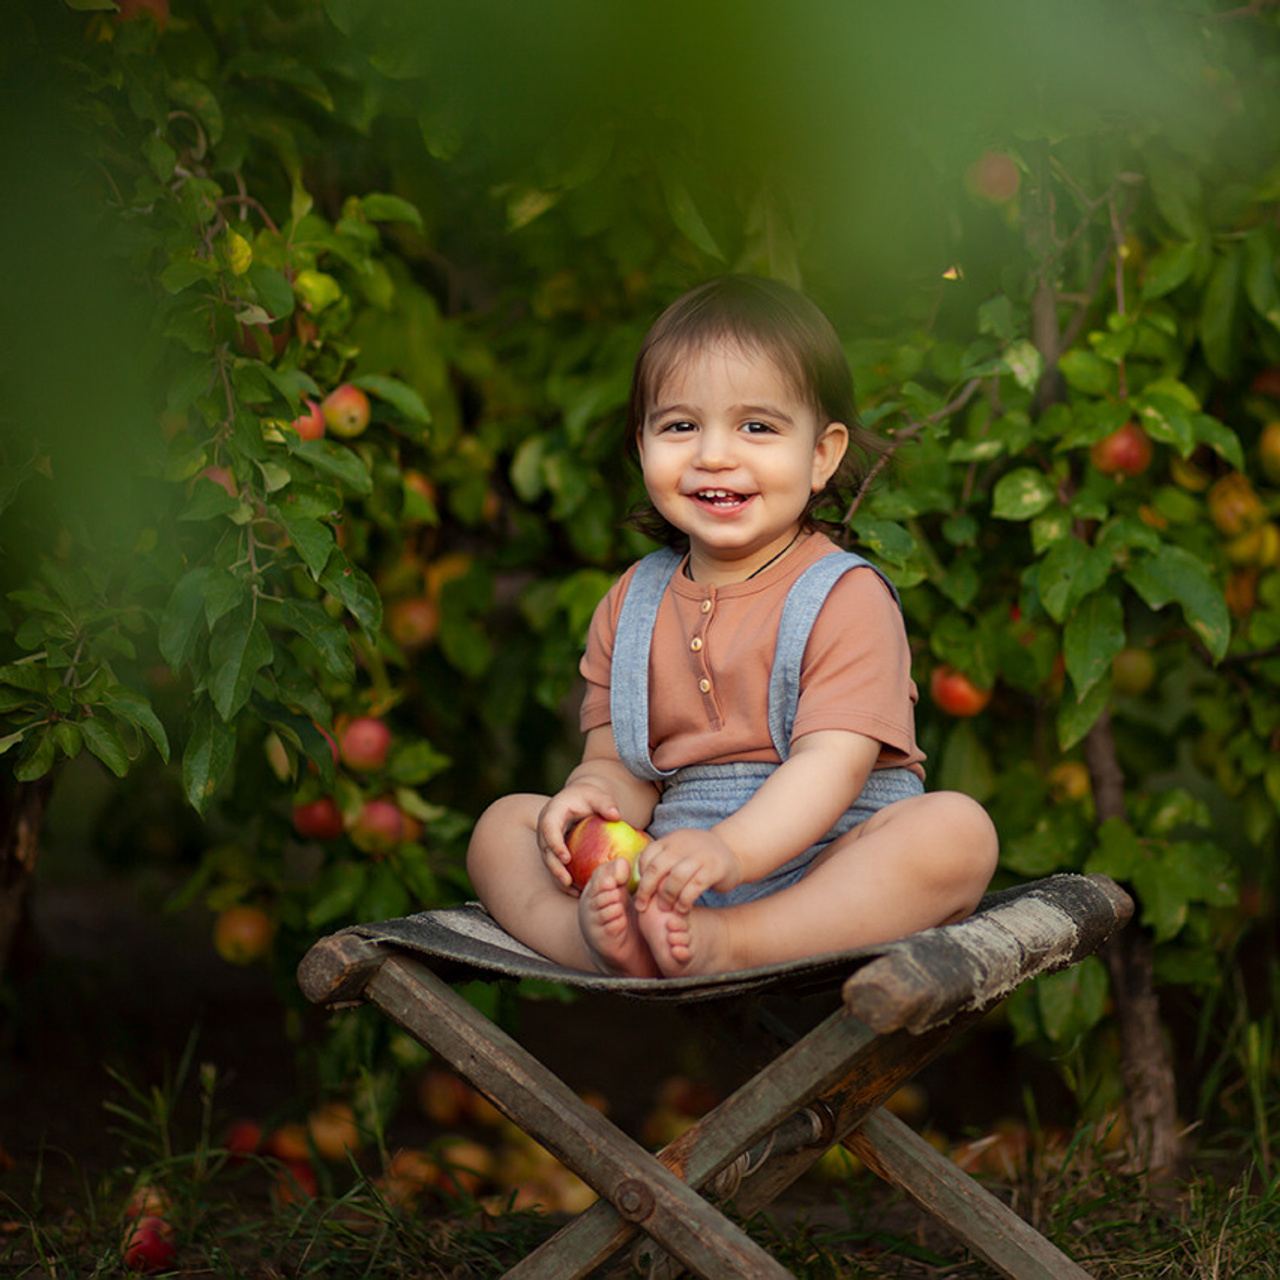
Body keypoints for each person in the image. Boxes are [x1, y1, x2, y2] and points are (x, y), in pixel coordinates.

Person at [467, 275, 998, 978]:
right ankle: (597, 942)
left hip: (830, 870)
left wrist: (731, 853)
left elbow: (829, 768)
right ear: (642, 445)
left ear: (821, 455)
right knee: (503, 828)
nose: (714, 454)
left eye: (757, 426)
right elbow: (620, 767)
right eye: (680, 426)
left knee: (957, 833)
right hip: (669, 880)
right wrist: (593, 796)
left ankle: (738, 943)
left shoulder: (846, 597)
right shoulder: (631, 604)